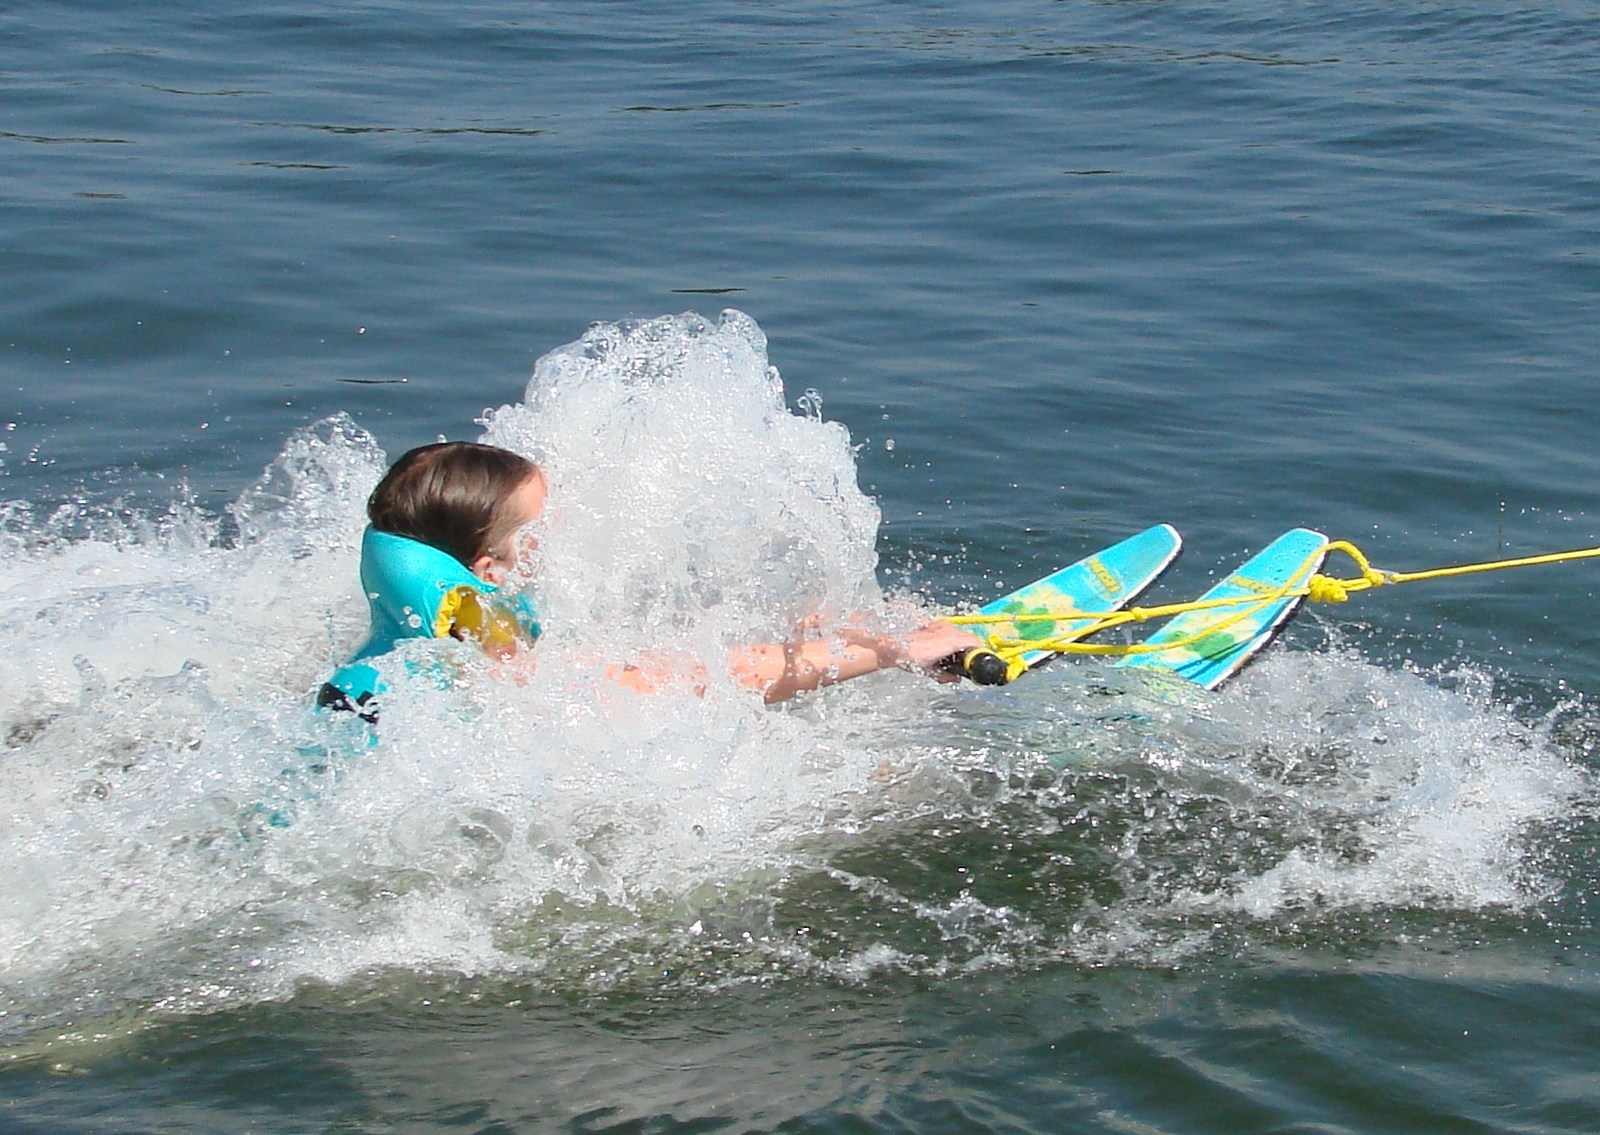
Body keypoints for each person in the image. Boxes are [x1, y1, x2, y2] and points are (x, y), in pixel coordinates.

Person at [319, 441, 984, 718]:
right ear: (487, 568)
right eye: (538, 525)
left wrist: (804, 633)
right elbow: (684, 683)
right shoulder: (482, 647)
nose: (559, 531)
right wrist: (887, 651)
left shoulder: (444, 613)